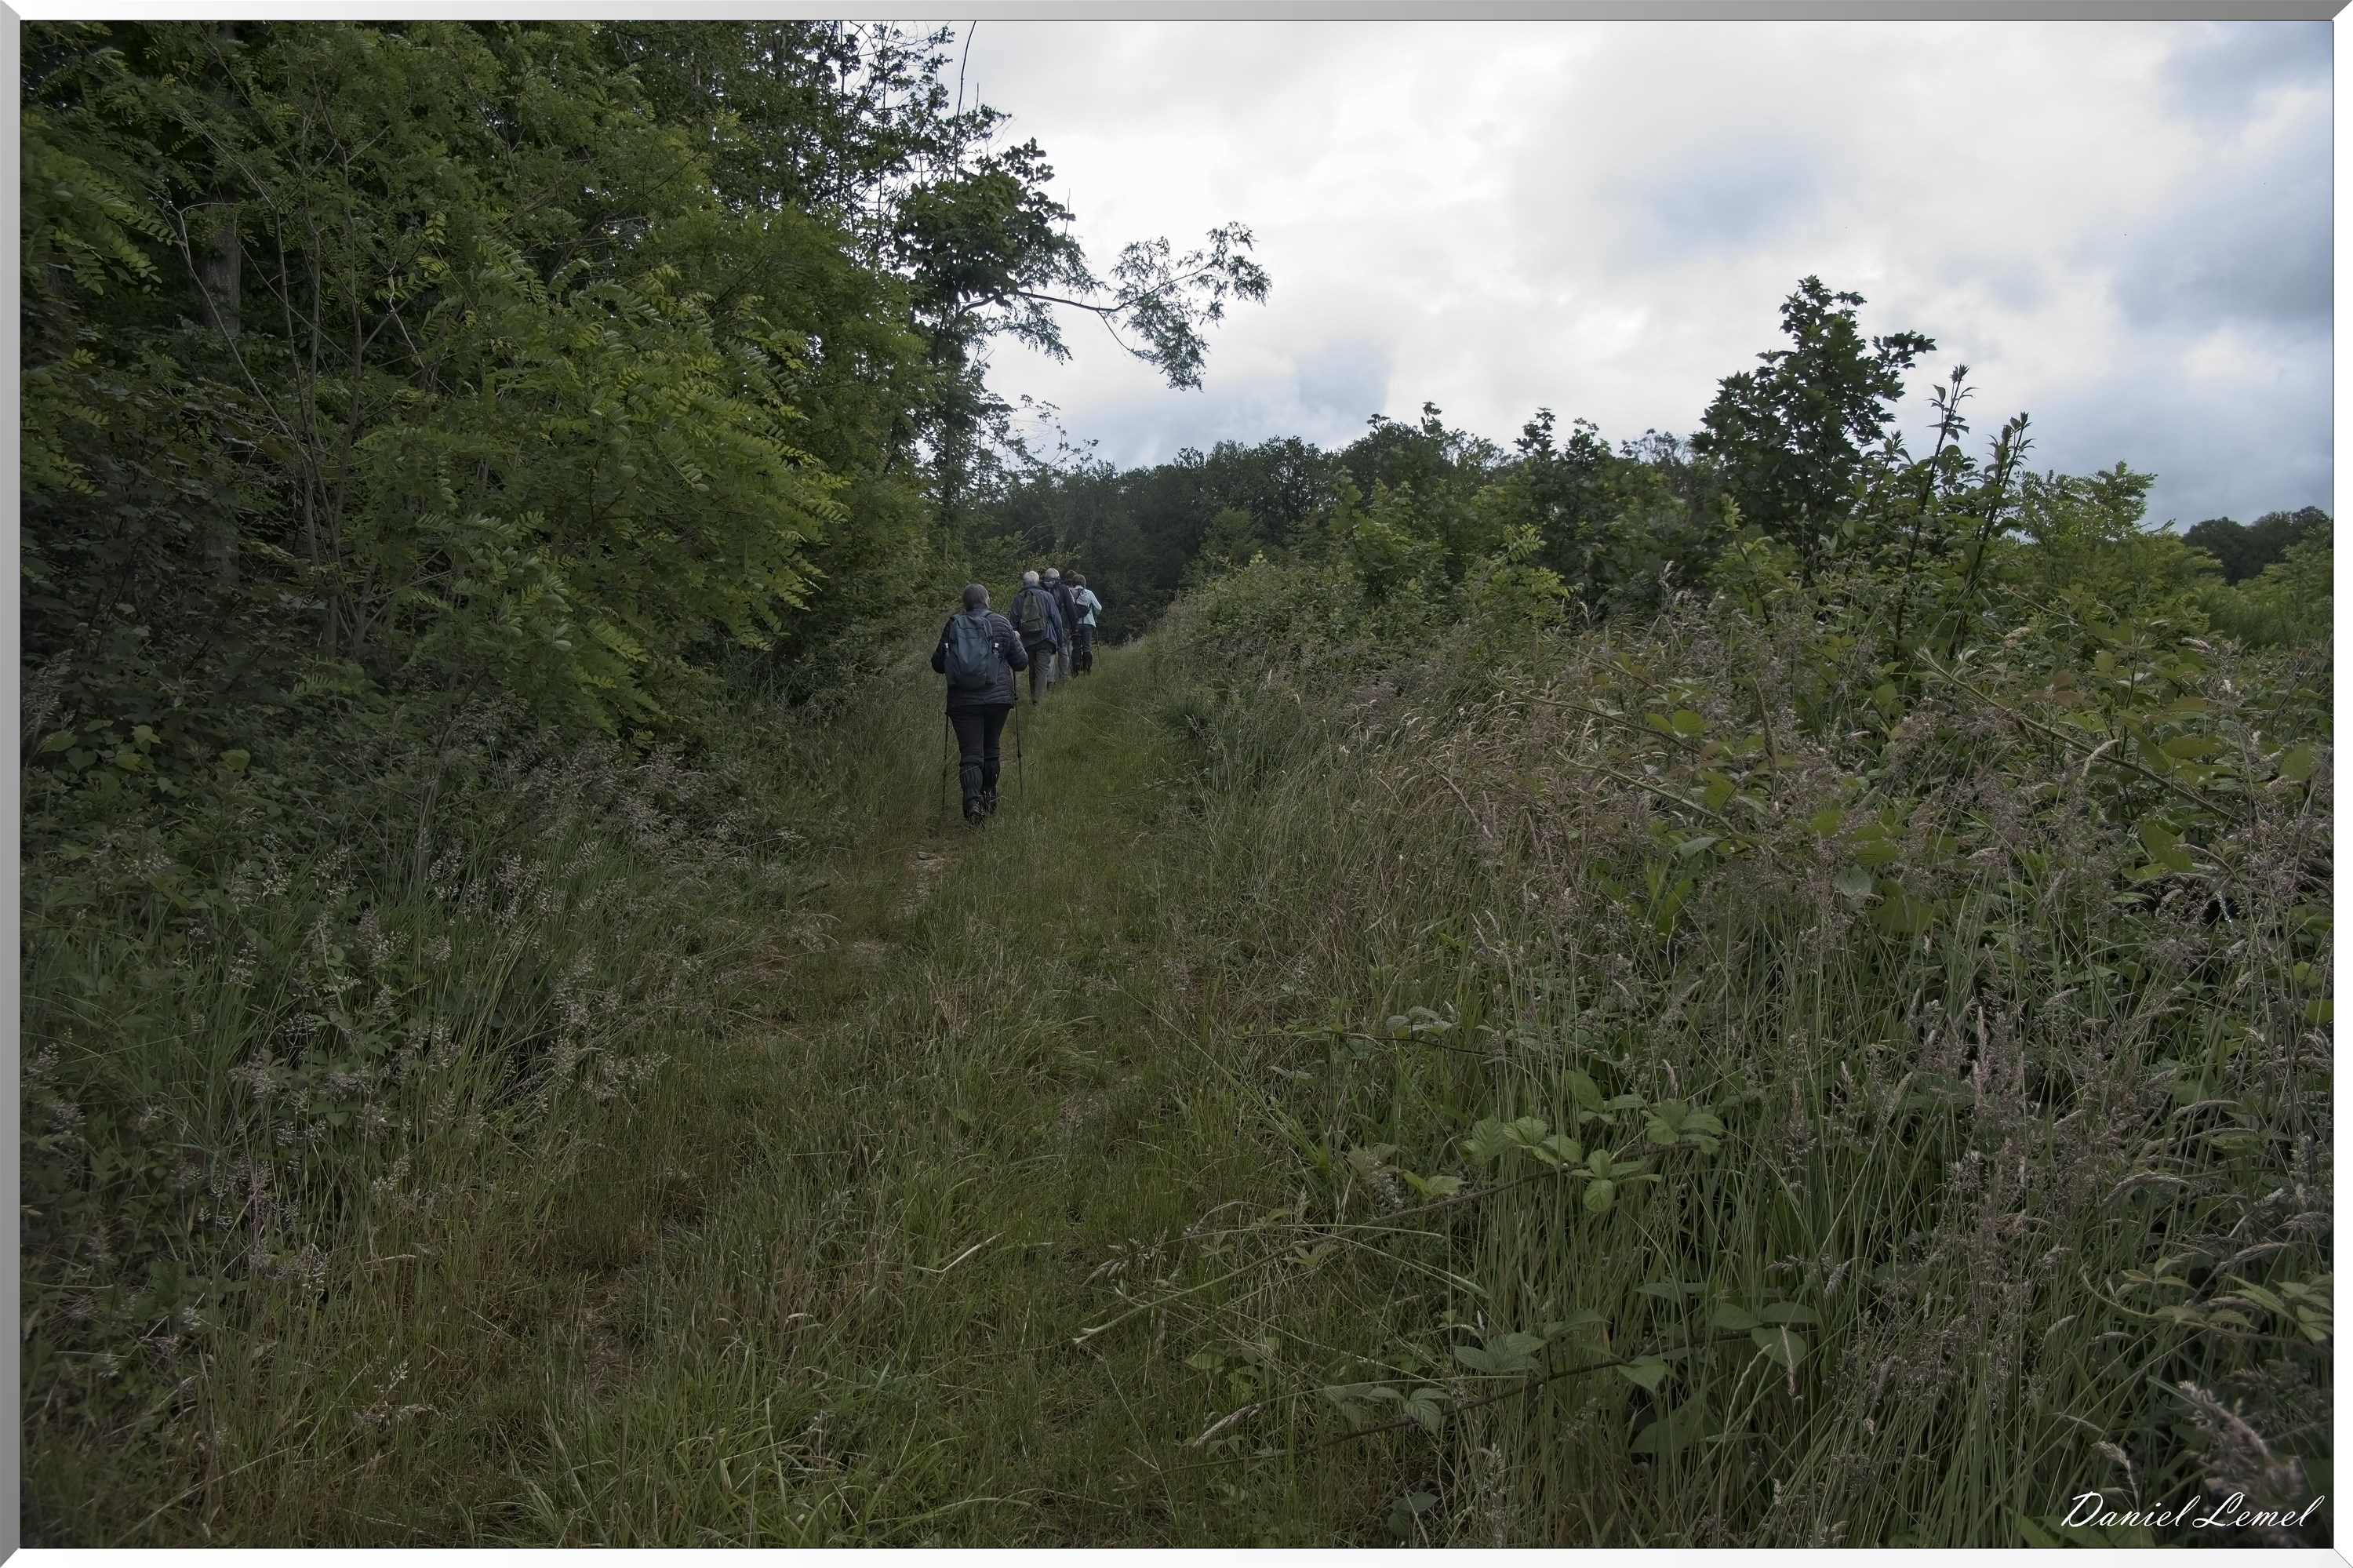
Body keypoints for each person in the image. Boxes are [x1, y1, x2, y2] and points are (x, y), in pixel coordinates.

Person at [931, 582, 1027, 824]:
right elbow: (1021, 663)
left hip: (963, 701)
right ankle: (988, 796)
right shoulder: (1002, 623)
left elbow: (938, 664)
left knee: (971, 751)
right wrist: (1016, 639)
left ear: (965, 603)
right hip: (998, 699)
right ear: (987, 600)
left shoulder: (954, 624)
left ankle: (972, 801)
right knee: (991, 748)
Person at [1008, 569, 1064, 703]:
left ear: (1024, 583)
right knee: (1042, 670)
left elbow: (1012, 624)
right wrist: (1060, 641)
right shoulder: (1046, 596)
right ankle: (1038, 702)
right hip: (1046, 638)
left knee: (1033, 669)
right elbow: (1057, 620)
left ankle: (1035, 698)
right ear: (1037, 581)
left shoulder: (1018, 598)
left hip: (1027, 641)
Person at [1043, 567, 1082, 685]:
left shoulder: (1042, 589)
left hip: (1045, 626)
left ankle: (1050, 680)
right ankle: (1064, 677)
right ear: (1058, 578)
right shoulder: (1064, 588)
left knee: (1050, 652)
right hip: (1062, 624)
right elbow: (1070, 608)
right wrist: (1074, 627)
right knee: (1063, 650)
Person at [1067, 573, 1104, 674]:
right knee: (1087, 646)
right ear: (1084, 583)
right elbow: (1099, 608)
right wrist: (1093, 612)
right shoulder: (1089, 593)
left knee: (1076, 645)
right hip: (1088, 623)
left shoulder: (1069, 592)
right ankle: (1087, 668)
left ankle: (1076, 666)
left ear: (1073, 583)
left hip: (1075, 624)